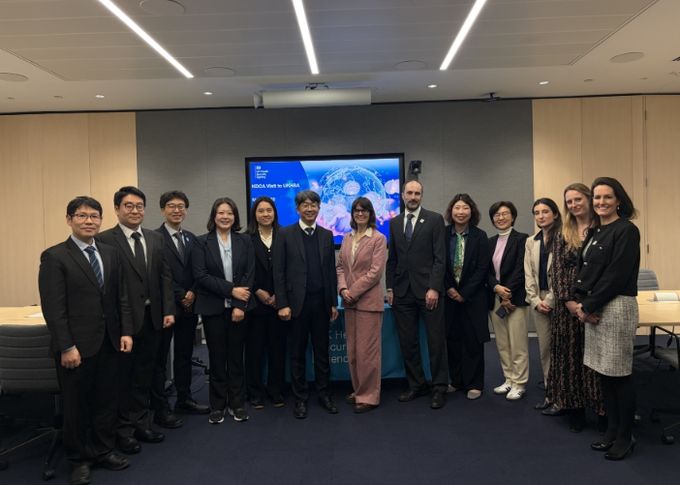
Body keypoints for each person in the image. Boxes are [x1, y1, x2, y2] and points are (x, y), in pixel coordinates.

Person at [39, 196, 133, 485]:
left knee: (106, 400)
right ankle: (78, 459)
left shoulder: (111, 253)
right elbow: (54, 309)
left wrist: (126, 331)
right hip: (76, 348)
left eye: (94, 216)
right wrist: (67, 346)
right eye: (81, 216)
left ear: (101, 220)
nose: (89, 221)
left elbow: (121, 297)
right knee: (76, 406)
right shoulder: (55, 257)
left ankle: (103, 450)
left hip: (109, 342)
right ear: (69, 220)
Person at [98, 186, 175, 455]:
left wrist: (168, 309)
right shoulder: (104, 240)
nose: (134, 210)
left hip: (153, 319)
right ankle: (123, 432)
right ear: (117, 209)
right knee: (122, 379)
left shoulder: (155, 238)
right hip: (122, 324)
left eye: (139, 206)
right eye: (128, 206)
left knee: (144, 375)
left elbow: (165, 276)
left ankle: (141, 424)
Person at [572, 177, 640, 460]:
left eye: (607, 197)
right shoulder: (596, 231)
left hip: (616, 307)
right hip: (595, 307)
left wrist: (587, 305)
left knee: (619, 375)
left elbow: (616, 275)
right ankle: (611, 430)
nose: (601, 202)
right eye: (597, 197)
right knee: (604, 374)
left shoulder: (626, 230)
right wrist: (579, 301)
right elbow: (585, 269)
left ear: (619, 200)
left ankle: (625, 436)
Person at [273, 190, 339, 419]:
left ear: (319, 208)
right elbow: (278, 272)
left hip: (321, 304)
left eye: (314, 205)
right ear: (298, 209)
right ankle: (300, 398)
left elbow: (330, 272)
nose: (310, 209)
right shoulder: (284, 234)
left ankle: (324, 394)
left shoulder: (326, 235)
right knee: (297, 353)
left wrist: (333, 303)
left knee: (322, 353)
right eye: (305, 205)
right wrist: (282, 303)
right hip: (295, 305)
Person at [544, 183, 603, 431]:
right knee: (569, 358)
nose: (574, 205)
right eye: (569, 201)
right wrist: (569, 302)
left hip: (596, 304)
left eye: (578, 199)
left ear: (588, 199)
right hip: (566, 308)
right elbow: (556, 271)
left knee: (596, 360)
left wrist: (589, 304)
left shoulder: (602, 229)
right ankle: (574, 408)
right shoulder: (562, 232)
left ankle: (601, 409)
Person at [386, 180, 448, 409]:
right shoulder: (394, 222)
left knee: (435, 342)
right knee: (408, 342)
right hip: (402, 293)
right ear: (402, 195)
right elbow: (392, 259)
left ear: (422, 196)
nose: (413, 197)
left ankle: (439, 387)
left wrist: (434, 287)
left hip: (428, 292)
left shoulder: (434, 219)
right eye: (409, 193)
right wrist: (390, 288)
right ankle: (417, 384)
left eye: (417, 193)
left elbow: (440, 258)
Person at [192, 197, 255, 424]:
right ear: (214, 216)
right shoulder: (201, 242)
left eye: (229, 212)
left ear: (235, 216)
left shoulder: (245, 240)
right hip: (213, 309)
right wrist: (231, 291)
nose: (225, 216)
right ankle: (217, 405)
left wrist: (239, 305)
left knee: (236, 358)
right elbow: (201, 276)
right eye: (221, 213)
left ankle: (237, 404)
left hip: (239, 309)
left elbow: (249, 273)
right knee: (217, 358)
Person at [153, 191, 209, 422]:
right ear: (162, 210)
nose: (177, 210)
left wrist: (192, 292)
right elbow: (158, 274)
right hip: (165, 308)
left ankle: (184, 399)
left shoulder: (191, 238)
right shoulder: (154, 238)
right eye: (171, 206)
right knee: (160, 359)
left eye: (181, 206)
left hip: (188, 307)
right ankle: (160, 407)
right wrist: (181, 294)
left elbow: (198, 270)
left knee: (185, 355)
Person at [336, 197, 387, 413]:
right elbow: (340, 267)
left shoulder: (378, 239)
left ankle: (369, 396)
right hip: (349, 302)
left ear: (370, 213)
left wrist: (353, 292)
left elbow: (375, 273)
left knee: (368, 353)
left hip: (368, 303)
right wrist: (343, 290)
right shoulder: (347, 238)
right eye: (356, 210)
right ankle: (359, 390)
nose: (360, 214)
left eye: (364, 210)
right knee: (354, 352)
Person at [443, 194, 490, 400]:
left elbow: (482, 268)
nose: (461, 212)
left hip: (473, 298)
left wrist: (464, 293)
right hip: (449, 296)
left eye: (465, 208)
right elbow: (438, 263)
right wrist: (449, 288)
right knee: (452, 340)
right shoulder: (443, 234)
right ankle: (456, 380)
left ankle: (475, 383)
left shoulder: (480, 236)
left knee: (473, 341)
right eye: (457, 208)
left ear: (472, 211)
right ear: (451, 211)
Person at [245, 196, 287, 409]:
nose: (265, 214)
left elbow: (291, 268)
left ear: (274, 213)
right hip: (255, 304)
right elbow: (243, 269)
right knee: (255, 351)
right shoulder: (246, 239)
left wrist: (280, 294)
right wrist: (257, 290)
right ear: (255, 214)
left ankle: (275, 390)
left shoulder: (285, 235)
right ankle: (254, 392)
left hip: (280, 303)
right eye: (261, 211)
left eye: (269, 210)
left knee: (277, 350)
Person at [488, 201, 529, 401]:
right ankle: (509, 378)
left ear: (513, 217)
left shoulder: (522, 239)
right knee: (502, 343)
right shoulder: (489, 242)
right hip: (495, 298)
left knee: (518, 342)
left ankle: (520, 382)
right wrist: (496, 288)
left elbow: (521, 269)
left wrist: (507, 293)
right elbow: (485, 270)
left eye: (505, 213)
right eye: (497, 214)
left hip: (515, 299)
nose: (501, 217)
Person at [524, 198, 561, 407]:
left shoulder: (564, 237)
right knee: (545, 347)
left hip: (560, 299)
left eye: (545, 211)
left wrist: (550, 299)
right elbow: (528, 274)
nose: (541, 216)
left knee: (561, 347)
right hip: (538, 300)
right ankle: (550, 390)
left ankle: (565, 390)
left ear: (555, 214)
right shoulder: (531, 241)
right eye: (537, 213)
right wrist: (535, 300)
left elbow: (564, 274)